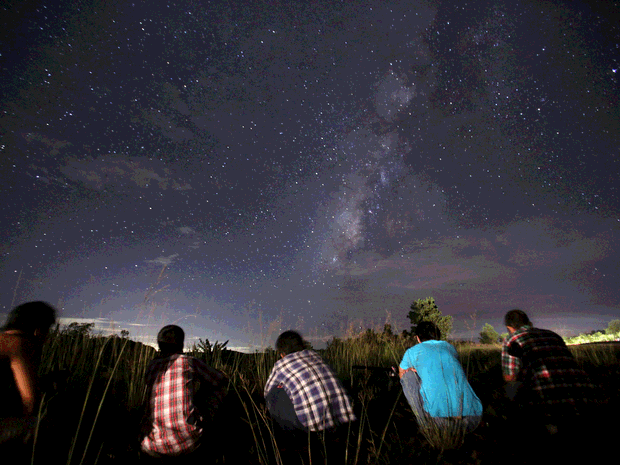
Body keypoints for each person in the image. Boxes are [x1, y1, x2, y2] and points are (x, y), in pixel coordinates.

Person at [264, 330, 356, 462]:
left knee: (275, 392)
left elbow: (267, 392)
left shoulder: (280, 365)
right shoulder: (316, 356)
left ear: (282, 354)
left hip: (310, 428)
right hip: (340, 421)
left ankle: (290, 436)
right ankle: (333, 434)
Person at [140, 325, 227, 463]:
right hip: (188, 445)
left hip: (151, 447)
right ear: (181, 344)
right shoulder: (188, 361)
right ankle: (216, 432)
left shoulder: (151, 366)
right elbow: (220, 379)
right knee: (217, 389)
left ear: (159, 345)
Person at [502, 309, 597, 433]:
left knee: (511, 387)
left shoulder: (511, 339)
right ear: (528, 323)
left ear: (509, 327)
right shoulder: (552, 334)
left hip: (548, 403)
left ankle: (524, 426)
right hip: (585, 397)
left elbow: (509, 377)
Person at [399, 321, 482, 434]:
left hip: (441, 423)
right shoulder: (450, 348)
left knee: (407, 377)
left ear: (418, 338)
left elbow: (401, 374)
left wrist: (415, 371)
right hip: (474, 418)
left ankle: (424, 425)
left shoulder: (412, 352)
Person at [0, 301, 57, 457]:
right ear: (38, 330)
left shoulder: (3, 339)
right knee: (43, 426)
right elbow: (30, 400)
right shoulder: (19, 343)